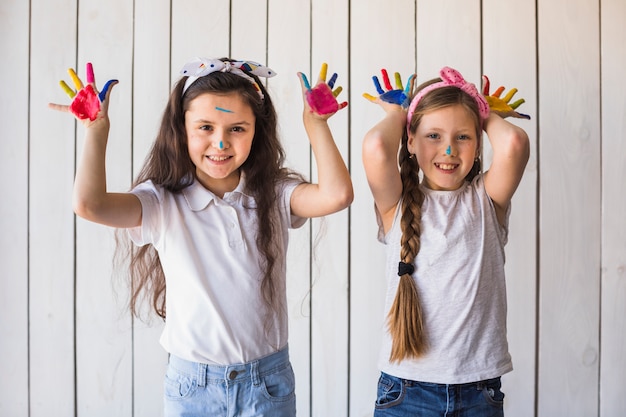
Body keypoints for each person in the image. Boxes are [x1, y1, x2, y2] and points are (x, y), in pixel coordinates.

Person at [49, 57, 353, 417]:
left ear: (258, 130)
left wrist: (315, 124)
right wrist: (96, 131)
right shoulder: (162, 202)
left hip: (267, 383)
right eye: (205, 127)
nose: (220, 142)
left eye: (237, 128)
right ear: (182, 129)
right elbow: (89, 204)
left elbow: (337, 195)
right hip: (193, 387)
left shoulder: (275, 193)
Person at [362, 66, 530, 416]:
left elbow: (514, 143)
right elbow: (377, 147)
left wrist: (488, 113)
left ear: (479, 140)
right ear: (410, 140)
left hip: (479, 391)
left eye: (463, 137)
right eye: (433, 136)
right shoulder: (398, 203)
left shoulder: (486, 200)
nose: (449, 149)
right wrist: (398, 113)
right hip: (406, 391)